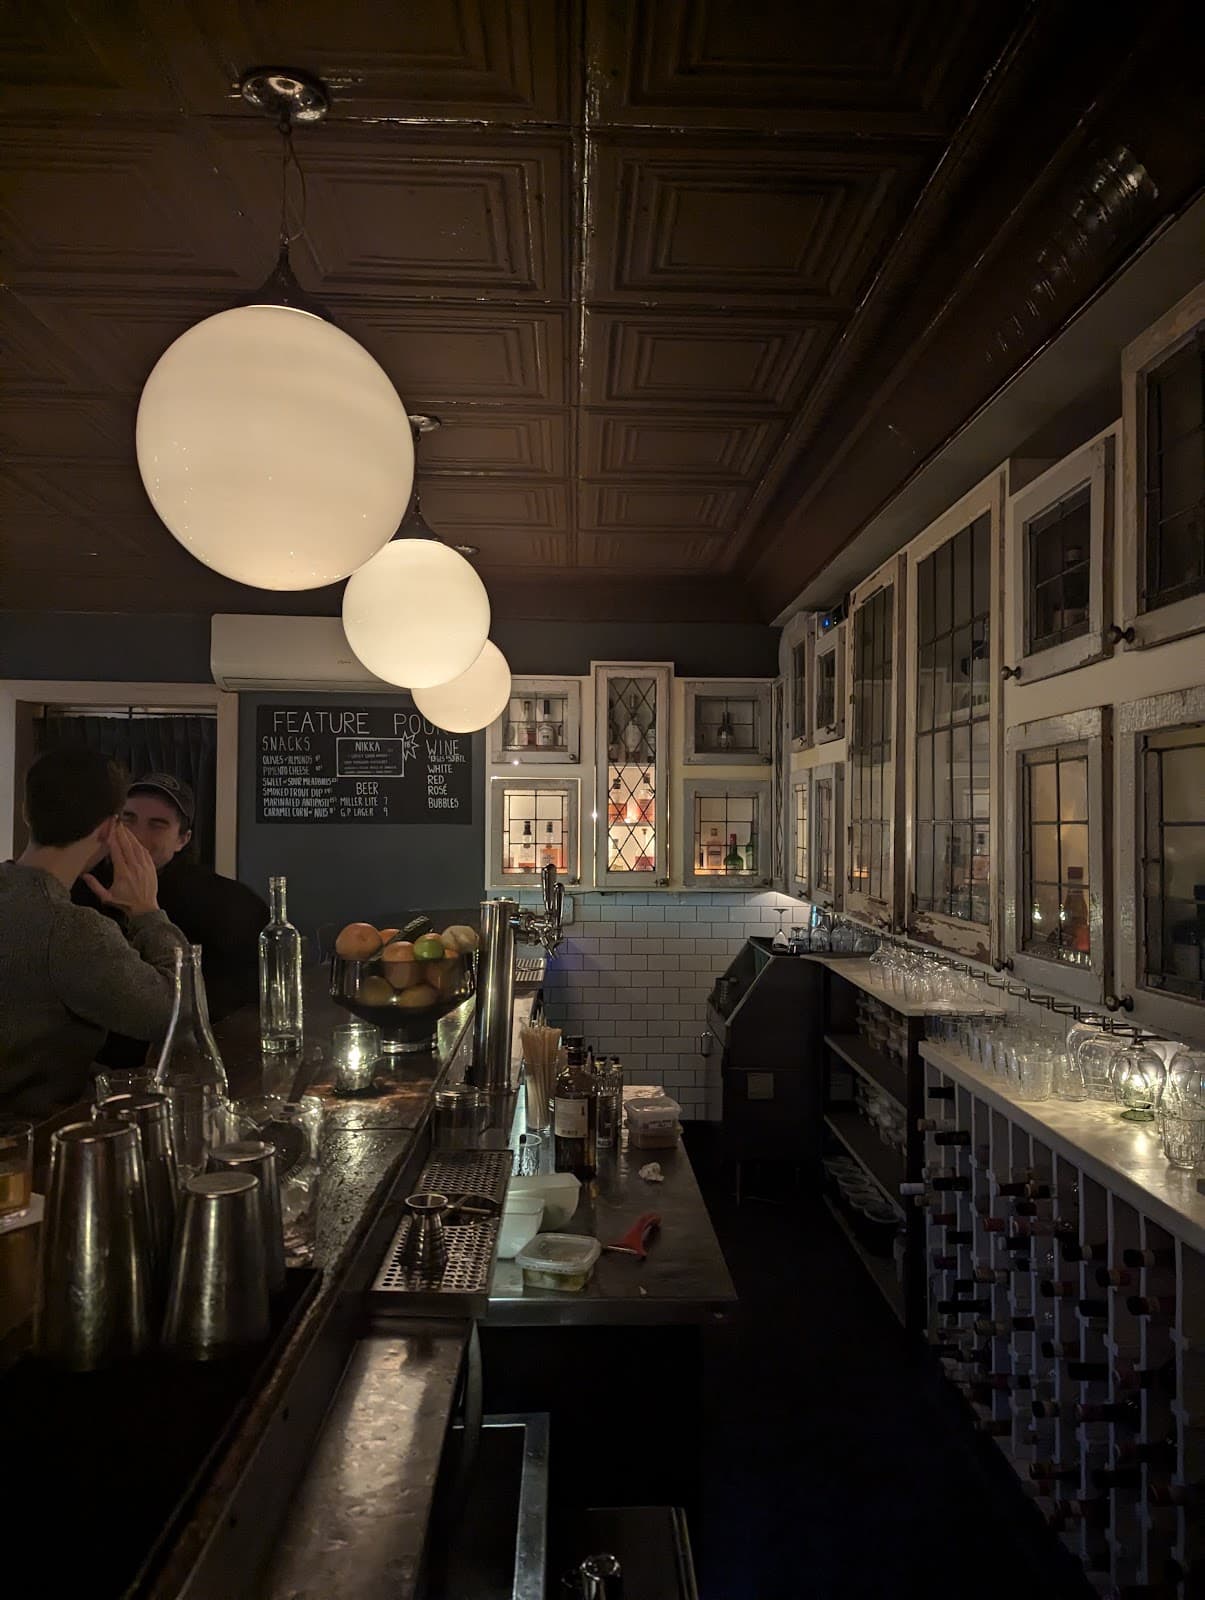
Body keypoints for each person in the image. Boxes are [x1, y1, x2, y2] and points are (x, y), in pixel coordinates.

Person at [0, 748, 184, 1117]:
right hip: (34, 1150)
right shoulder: (70, 929)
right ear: (108, 829)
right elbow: (178, 1015)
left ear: (26, 812)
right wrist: (148, 913)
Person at [75, 772, 269, 1024]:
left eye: (157, 824)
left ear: (182, 839)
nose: (137, 835)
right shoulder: (76, 889)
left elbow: (250, 991)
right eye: (128, 819)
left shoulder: (227, 903)